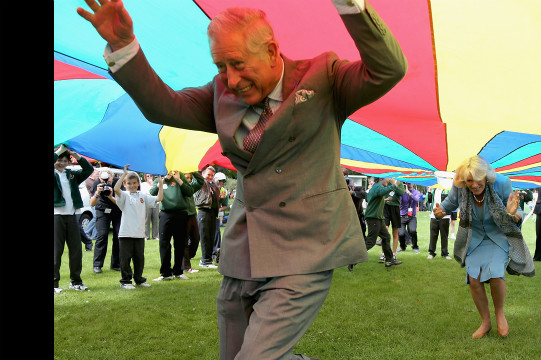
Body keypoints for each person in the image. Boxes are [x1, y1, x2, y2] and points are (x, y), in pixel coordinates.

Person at [78, 0, 406, 358]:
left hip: (305, 248)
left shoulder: (323, 77)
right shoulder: (221, 93)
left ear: (270, 51)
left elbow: (387, 70)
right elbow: (164, 106)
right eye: (221, 66)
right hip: (246, 248)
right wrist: (125, 47)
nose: (230, 79)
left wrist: (351, 5)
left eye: (237, 64)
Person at [433, 155, 534, 338]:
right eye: (469, 181)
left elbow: (516, 210)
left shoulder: (502, 183)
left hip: (497, 237)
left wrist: (513, 213)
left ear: (486, 176)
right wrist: (441, 211)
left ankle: (500, 314)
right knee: (474, 278)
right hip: (475, 238)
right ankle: (485, 322)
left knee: (495, 273)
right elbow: (451, 203)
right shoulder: (461, 184)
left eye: (477, 180)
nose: (473, 185)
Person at [113, 165, 164, 289]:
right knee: (125, 259)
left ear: (138, 184)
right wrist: (124, 174)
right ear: (125, 184)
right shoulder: (124, 195)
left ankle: (139, 279)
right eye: (129, 183)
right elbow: (116, 189)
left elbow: (159, 198)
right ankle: (125, 281)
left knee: (139, 258)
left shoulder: (142, 196)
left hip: (139, 233)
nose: (132, 185)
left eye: (134, 183)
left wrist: (161, 185)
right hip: (126, 233)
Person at [54, 144, 94, 293]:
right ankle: (54, 284)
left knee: (76, 250)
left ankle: (76, 282)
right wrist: (59, 151)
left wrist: (75, 155)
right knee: (56, 251)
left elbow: (89, 169)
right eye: (59, 160)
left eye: (65, 160)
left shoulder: (71, 175)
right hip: (56, 216)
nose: (62, 163)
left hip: (71, 216)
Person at [149, 170, 195, 281]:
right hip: (165, 214)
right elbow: (152, 192)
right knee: (164, 243)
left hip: (181, 213)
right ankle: (166, 273)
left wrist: (179, 180)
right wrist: (163, 180)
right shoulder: (159, 178)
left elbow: (189, 192)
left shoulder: (180, 176)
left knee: (179, 243)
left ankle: (178, 271)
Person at [364, 178, 403, 267]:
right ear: (381, 178)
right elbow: (382, 192)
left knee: (386, 237)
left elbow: (369, 198)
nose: (388, 180)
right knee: (371, 241)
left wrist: (384, 200)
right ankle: (353, 259)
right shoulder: (378, 186)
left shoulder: (375, 187)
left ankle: (389, 260)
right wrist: (395, 185)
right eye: (387, 178)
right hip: (374, 218)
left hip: (378, 218)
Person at [90, 169, 122, 273]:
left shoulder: (118, 182)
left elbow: (121, 202)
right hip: (102, 210)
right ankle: (97, 265)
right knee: (102, 235)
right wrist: (97, 193)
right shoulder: (97, 183)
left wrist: (110, 196)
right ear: (99, 178)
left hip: (116, 210)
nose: (105, 181)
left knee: (118, 236)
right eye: (102, 179)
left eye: (108, 179)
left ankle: (116, 264)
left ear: (112, 177)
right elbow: (92, 203)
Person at [195, 166, 221, 269]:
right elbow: (196, 174)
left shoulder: (213, 184)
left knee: (211, 237)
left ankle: (208, 260)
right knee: (205, 237)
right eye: (208, 174)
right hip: (203, 211)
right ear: (203, 174)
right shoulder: (201, 182)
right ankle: (205, 261)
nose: (210, 177)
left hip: (212, 212)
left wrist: (221, 198)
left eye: (212, 175)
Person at [183, 171, 204, 274]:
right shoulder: (179, 186)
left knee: (196, 239)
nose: (189, 180)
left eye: (190, 178)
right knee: (184, 242)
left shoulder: (191, 187)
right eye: (187, 178)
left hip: (192, 215)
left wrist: (194, 171)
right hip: (183, 216)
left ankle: (185, 258)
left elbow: (201, 181)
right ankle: (186, 266)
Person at [428, 186, 452, 260]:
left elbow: (450, 202)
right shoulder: (433, 190)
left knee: (444, 235)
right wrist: (429, 191)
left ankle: (445, 253)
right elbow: (429, 200)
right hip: (433, 215)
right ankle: (431, 252)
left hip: (445, 216)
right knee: (433, 235)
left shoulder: (447, 189)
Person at [398, 182, 421, 253]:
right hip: (402, 215)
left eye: (411, 182)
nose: (410, 184)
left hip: (412, 216)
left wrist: (409, 193)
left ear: (413, 183)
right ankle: (402, 246)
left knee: (413, 231)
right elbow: (399, 202)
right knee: (401, 233)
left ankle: (415, 247)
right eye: (408, 183)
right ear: (406, 184)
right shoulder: (402, 192)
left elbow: (417, 200)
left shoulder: (416, 192)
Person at [213, 172, 229, 257]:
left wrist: (217, 209)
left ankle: (216, 253)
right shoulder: (209, 187)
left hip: (215, 216)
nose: (222, 183)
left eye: (223, 181)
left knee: (217, 234)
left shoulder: (224, 191)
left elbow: (225, 206)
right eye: (220, 181)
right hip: (203, 215)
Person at [141, 174, 160, 240]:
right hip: (147, 203)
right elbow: (144, 193)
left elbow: (157, 193)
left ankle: (155, 236)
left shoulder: (155, 184)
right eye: (147, 176)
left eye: (151, 176)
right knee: (147, 220)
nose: (149, 177)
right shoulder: (143, 184)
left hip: (155, 202)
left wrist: (153, 185)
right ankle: (146, 236)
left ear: (153, 176)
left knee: (155, 220)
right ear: (145, 177)